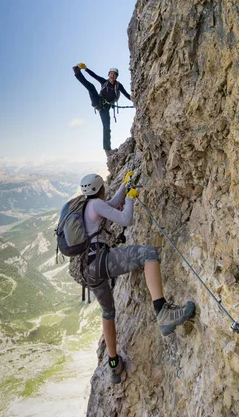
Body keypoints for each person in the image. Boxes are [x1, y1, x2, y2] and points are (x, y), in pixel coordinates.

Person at [79, 172, 196, 385]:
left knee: (108, 312)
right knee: (148, 253)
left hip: (88, 268)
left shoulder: (89, 207)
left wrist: (124, 186)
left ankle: (113, 364)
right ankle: (163, 312)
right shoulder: (97, 204)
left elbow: (113, 204)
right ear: (100, 188)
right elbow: (126, 219)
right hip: (101, 260)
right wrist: (131, 198)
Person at [72, 63, 131, 157]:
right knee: (91, 87)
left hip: (105, 109)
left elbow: (126, 95)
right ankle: (77, 72)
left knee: (106, 127)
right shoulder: (104, 82)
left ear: (116, 76)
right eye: (111, 73)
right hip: (97, 101)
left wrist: (135, 100)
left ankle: (108, 150)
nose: (112, 75)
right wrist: (85, 69)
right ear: (109, 75)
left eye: (114, 74)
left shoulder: (119, 86)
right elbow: (94, 75)